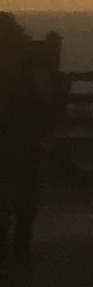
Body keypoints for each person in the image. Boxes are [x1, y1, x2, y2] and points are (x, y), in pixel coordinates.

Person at [0, 16, 49, 263]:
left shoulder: (25, 62)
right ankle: (21, 245)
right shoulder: (30, 61)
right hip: (25, 140)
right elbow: (45, 100)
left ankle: (5, 246)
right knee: (24, 196)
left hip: (12, 138)